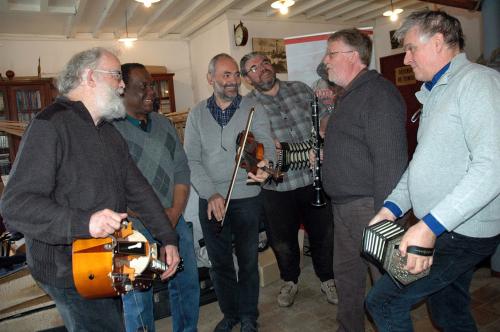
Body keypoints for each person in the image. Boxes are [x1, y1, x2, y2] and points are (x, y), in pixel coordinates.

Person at [0, 48, 180, 331]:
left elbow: (139, 190)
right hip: (68, 269)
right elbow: (16, 205)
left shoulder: (109, 132)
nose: (122, 84)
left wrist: (168, 238)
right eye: (116, 76)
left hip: (110, 255)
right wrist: (86, 222)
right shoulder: (49, 124)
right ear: (89, 77)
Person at [365, 10, 500, 331]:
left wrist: (427, 227)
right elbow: (421, 164)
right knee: (448, 312)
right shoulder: (436, 92)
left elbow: (493, 166)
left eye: (411, 48)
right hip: (445, 227)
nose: (406, 59)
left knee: (383, 301)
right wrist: (391, 207)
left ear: (438, 42)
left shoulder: (479, 83)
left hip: (462, 231)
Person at [321, 29, 408, 332]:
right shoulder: (350, 95)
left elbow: (391, 163)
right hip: (344, 207)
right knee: (347, 280)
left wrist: (384, 222)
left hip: (371, 209)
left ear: (353, 57)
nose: (326, 60)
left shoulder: (378, 94)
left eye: (331, 53)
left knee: (385, 288)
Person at [184, 53, 274, 332]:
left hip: (246, 197)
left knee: (247, 262)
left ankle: (248, 316)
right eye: (226, 75)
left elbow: (267, 147)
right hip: (212, 200)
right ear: (211, 78)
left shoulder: (253, 108)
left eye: (236, 74)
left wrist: (265, 167)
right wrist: (210, 193)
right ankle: (230, 314)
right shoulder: (196, 114)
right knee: (219, 262)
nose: (233, 80)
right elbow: (192, 160)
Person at [240, 52, 336, 308]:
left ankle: (327, 278)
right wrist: (260, 148)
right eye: (254, 68)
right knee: (281, 239)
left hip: (313, 177)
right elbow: (246, 145)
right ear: (247, 78)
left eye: (265, 63)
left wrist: (325, 130)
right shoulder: (246, 105)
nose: (262, 69)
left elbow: (324, 114)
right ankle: (289, 280)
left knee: (324, 233)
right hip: (276, 187)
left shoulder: (301, 89)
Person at [113, 63, 199, 332]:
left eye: (152, 85)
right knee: (137, 299)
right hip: (130, 230)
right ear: (122, 91)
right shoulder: (109, 131)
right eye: (143, 87)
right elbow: (112, 187)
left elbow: (181, 170)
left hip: (174, 220)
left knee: (186, 284)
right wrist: (154, 217)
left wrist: (173, 214)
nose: (152, 92)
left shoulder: (164, 124)